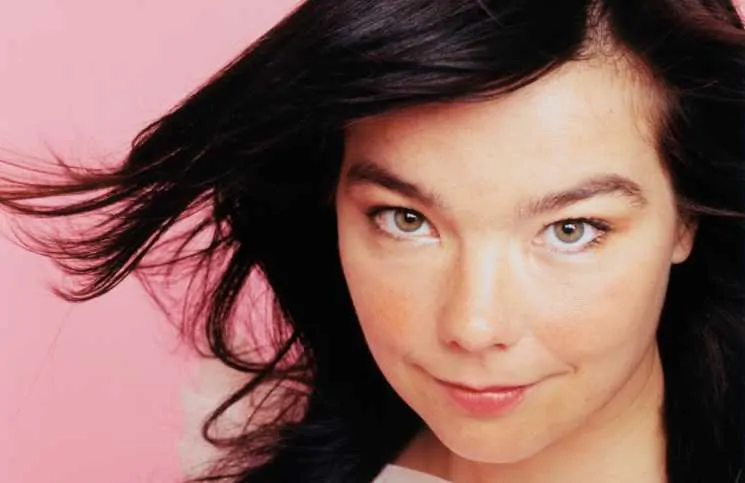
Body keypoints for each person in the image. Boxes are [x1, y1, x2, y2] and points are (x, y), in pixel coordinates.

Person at [2, 0, 745, 482]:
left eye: (570, 229)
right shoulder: (268, 445)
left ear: (686, 215)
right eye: (405, 219)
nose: (473, 325)